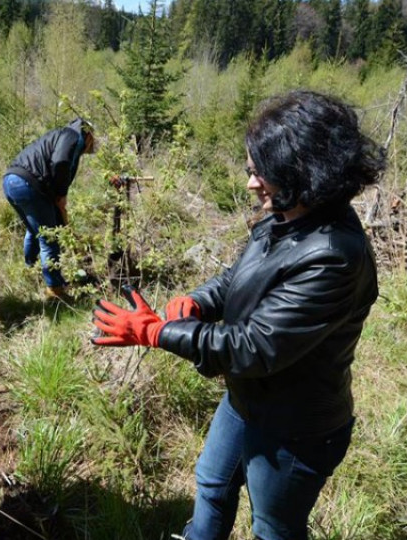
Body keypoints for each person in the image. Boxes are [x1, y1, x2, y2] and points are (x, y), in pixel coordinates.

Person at [91, 91, 385, 540]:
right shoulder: (287, 215)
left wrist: (159, 333)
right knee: (211, 485)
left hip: (295, 426)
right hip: (247, 398)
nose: (252, 184)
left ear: (302, 171)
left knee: (273, 527)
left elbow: (254, 347)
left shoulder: (333, 254)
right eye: (252, 170)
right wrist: (198, 302)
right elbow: (238, 278)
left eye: (261, 172)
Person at [2, 118, 96, 298]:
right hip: (29, 184)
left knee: (35, 230)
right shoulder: (73, 136)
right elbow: (60, 163)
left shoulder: (60, 135)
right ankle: (55, 290)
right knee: (49, 238)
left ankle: (32, 269)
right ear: (88, 134)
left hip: (11, 181)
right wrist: (61, 194)